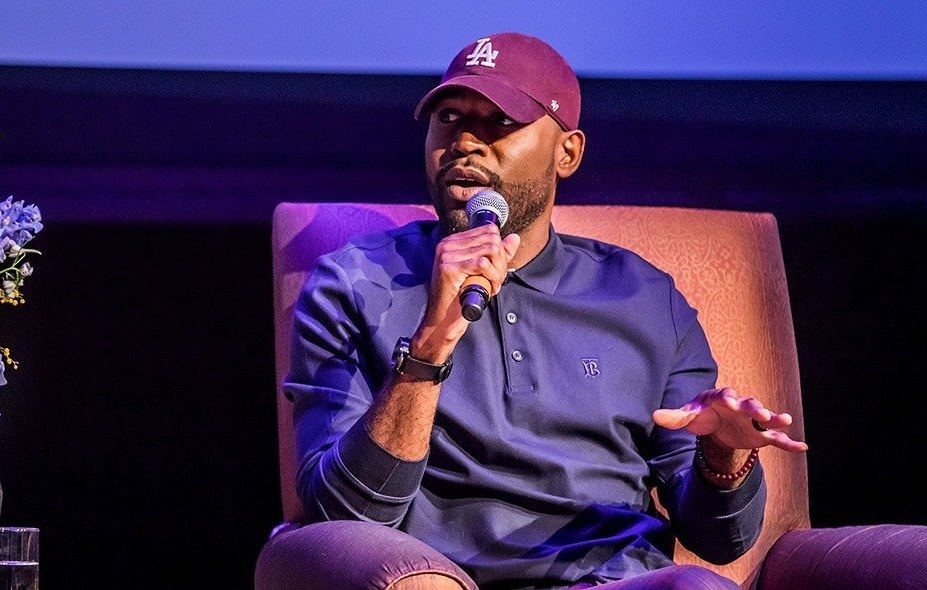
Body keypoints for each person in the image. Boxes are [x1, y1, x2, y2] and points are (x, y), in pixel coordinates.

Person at [276, 33, 808, 589]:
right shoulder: (356, 283)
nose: (465, 143)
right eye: (450, 117)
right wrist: (429, 350)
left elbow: (721, 540)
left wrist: (721, 456)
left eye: (500, 123)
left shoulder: (644, 298)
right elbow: (343, 518)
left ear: (567, 152)